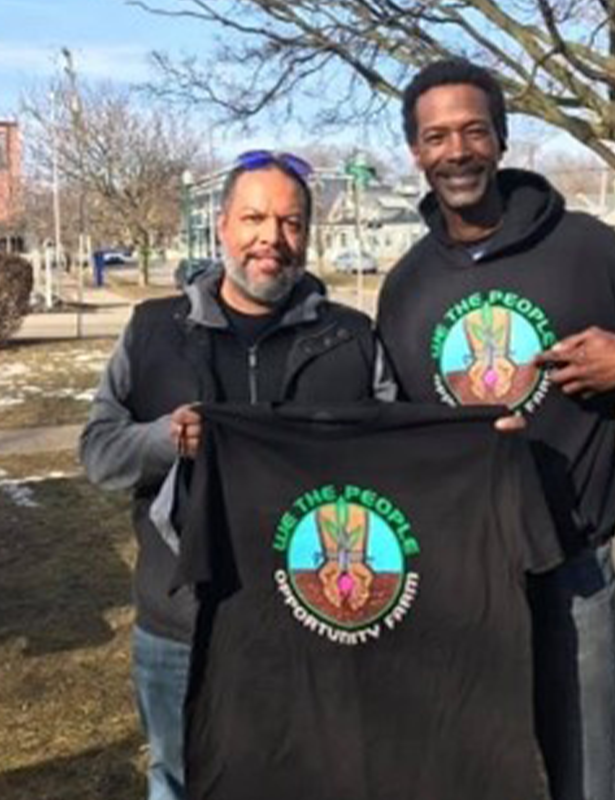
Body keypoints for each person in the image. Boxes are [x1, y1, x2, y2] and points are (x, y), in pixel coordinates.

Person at [376, 59, 615, 800]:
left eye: (474, 130)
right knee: (469, 770)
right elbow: (394, 429)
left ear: (501, 140)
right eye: (436, 137)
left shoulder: (584, 248)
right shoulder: (405, 286)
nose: (457, 151)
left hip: (572, 561)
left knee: (584, 771)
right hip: (463, 569)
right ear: (415, 154)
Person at [80, 150, 392, 800]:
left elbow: (404, 461)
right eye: (254, 218)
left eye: (290, 222)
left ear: (307, 234)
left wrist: (480, 446)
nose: (271, 237)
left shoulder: (353, 339)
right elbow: (99, 453)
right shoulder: (152, 331)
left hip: (317, 622)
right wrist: (165, 439)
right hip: (182, 625)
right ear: (222, 225)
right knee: (181, 779)